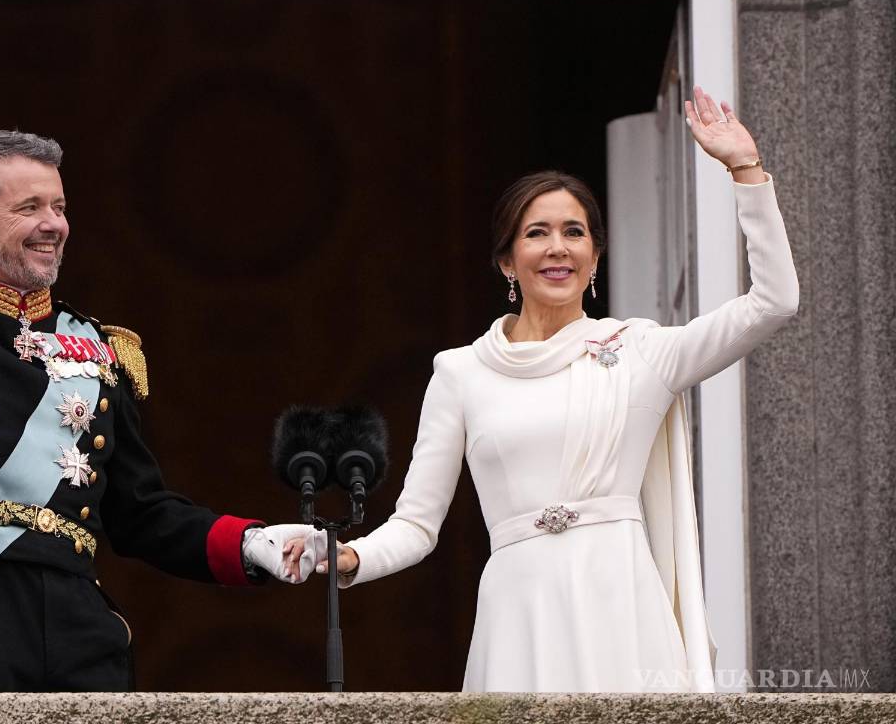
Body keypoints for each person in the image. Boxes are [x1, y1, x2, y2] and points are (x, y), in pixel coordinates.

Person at [0, 56, 312, 692]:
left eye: (59, 205)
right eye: (30, 207)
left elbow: (140, 512)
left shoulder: (101, 350)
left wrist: (250, 542)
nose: (55, 224)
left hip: (81, 629)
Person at [285, 87, 798, 692]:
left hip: (621, 604)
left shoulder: (641, 351)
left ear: (594, 255)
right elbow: (418, 526)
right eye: (537, 233)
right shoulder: (460, 373)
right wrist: (348, 557)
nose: (558, 247)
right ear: (507, 260)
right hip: (519, 612)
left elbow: (774, 302)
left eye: (574, 232)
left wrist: (745, 170)